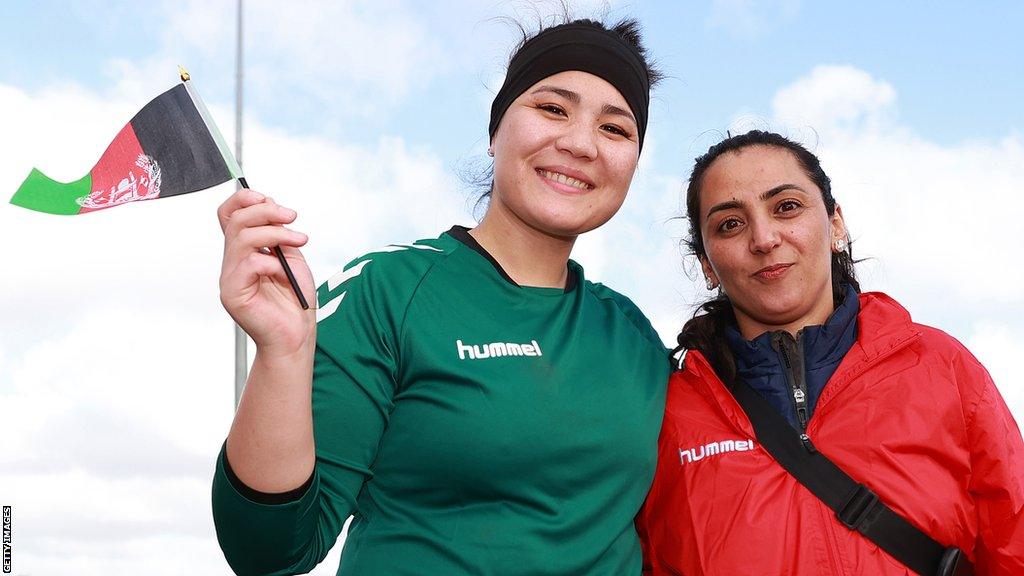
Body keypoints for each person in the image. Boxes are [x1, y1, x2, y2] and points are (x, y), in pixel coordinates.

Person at [211, 16, 671, 576]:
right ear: (495, 130)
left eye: (616, 129)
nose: (579, 143)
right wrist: (282, 355)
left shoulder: (637, 336)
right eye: (553, 108)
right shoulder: (388, 292)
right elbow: (270, 550)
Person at [636, 130, 1024, 575]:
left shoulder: (943, 365)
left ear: (836, 223)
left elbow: (1014, 538)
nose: (763, 238)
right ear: (707, 264)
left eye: (786, 207)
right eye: (730, 224)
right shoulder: (663, 409)